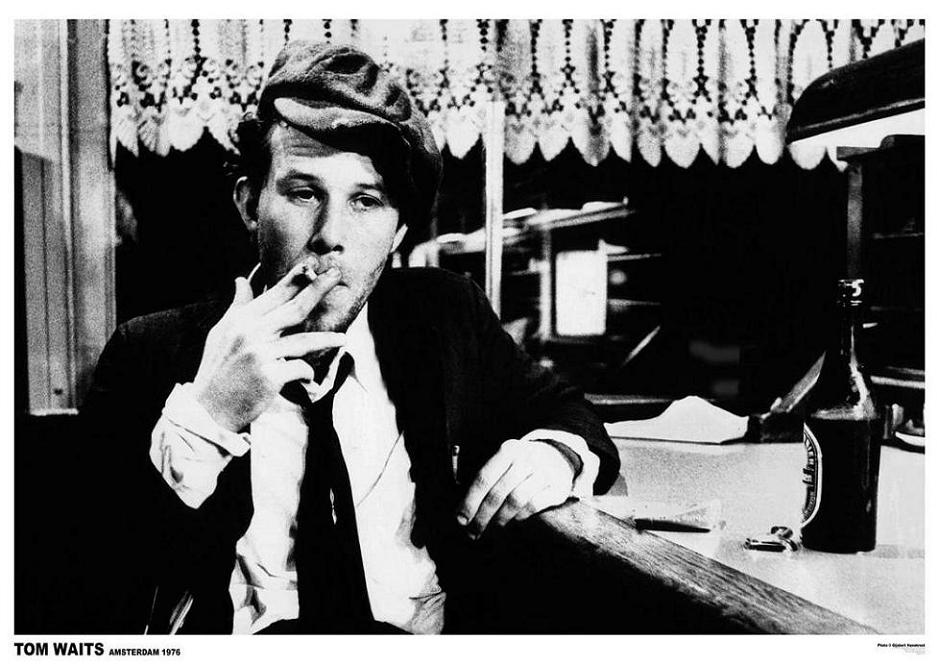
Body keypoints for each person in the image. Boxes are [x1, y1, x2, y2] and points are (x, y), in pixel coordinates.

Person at [80, 40, 619, 635]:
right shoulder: (151, 352)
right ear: (250, 205)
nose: (330, 235)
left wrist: (554, 454)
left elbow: (568, 413)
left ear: (398, 232)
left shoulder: (444, 316)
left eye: (365, 201)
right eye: (304, 193)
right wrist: (209, 417)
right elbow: (94, 578)